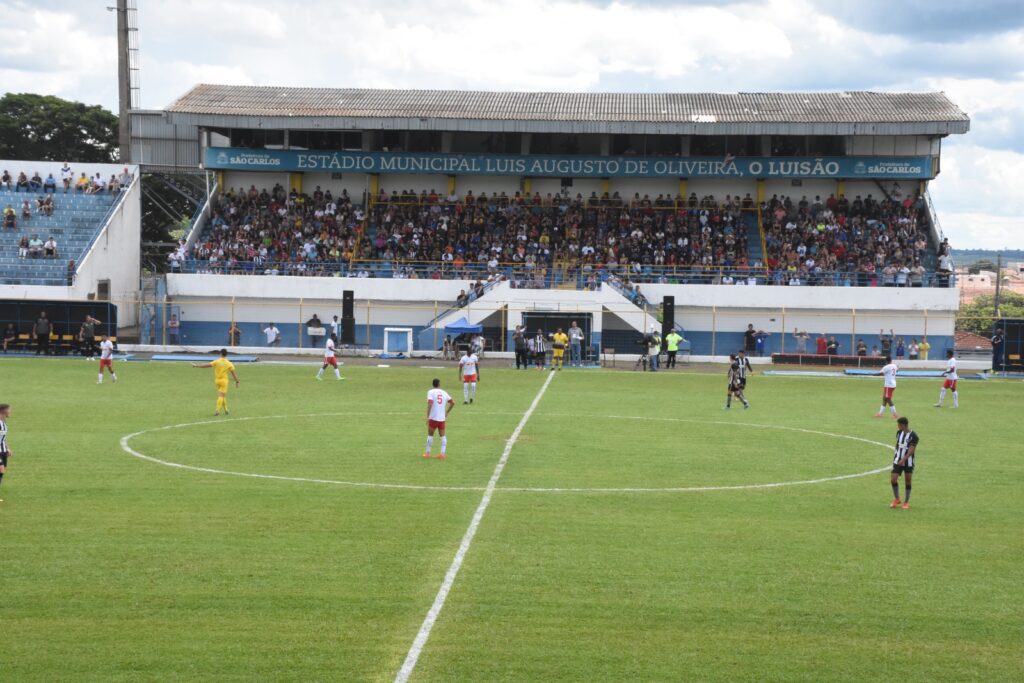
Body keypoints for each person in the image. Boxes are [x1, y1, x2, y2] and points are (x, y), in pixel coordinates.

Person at [193, 349, 240, 416]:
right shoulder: (229, 363)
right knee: (221, 395)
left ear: (220, 354)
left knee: (222, 395)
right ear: (226, 355)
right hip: (224, 381)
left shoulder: (217, 361)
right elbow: (233, 374)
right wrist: (237, 381)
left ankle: (226, 410)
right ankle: (217, 410)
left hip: (217, 381)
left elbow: (206, 365)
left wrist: (197, 365)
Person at [889, 416, 919, 510]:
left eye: (898, 424)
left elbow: (911, 450)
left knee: (908, 480)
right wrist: (897, 457)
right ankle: (897, 499)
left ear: (903, 425)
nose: (897, 426)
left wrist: (903, 460)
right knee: (893, 479)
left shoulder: (913, 436)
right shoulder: (898, 433)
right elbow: (898, 445)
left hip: (908, 462)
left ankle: (906, 502)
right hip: (898, 460)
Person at [424, 378, 454, 459]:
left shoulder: (430, 392)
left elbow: (430, 404)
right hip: (442, 419)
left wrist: (428, 417)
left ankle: (427, 453)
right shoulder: (444, 392)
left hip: (433, 418)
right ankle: (442, 454)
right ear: (439, 384)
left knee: (430, 435)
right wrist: (447, 412)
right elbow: (452, 402)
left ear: (433, 384)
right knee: (443, 436)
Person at [0, 403, 11, 502]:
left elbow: (2, 438)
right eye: (9, 410)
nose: (10, 412)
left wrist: (7, 448)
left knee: (2, 472)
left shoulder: (4, 422)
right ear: (4, 411)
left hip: (3, 451)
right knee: (1, 470)